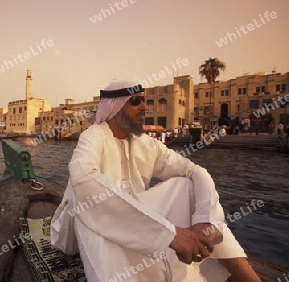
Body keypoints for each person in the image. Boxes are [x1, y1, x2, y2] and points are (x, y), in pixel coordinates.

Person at [51, 80, 261, 282]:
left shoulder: (145, 143)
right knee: (102, 230)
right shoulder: (93, 136)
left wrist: (205, 219)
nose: (144, 107)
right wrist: (169, 235)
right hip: (90, 217)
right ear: (115, 107)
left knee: (186, 185)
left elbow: (194, 170)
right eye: (135, 101)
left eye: (145, 100)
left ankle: (246, 276)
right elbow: (84, 180)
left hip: (139, 220)